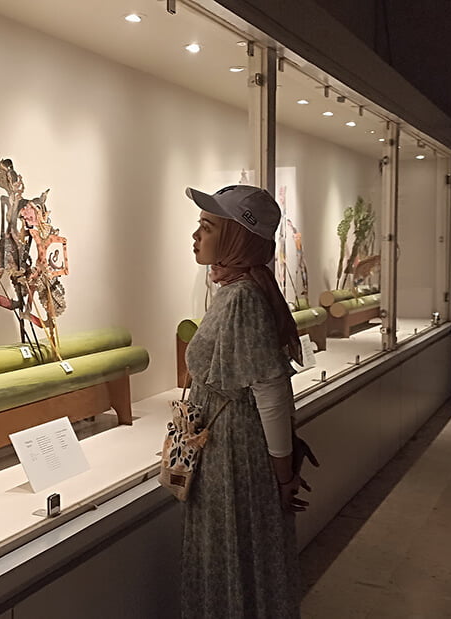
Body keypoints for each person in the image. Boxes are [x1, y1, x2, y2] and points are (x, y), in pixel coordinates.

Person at [181, 184, 311, 618]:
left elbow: (271, 393)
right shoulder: (237, 288)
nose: (195, 237)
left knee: (235, 550)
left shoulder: (242, 298)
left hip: (235, 457)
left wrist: (282, 474)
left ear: (238, 237)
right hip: (226, 450)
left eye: (206, 227)